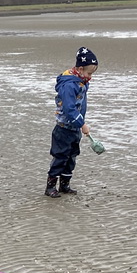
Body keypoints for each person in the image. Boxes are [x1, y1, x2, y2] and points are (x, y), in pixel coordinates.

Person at [45, 46, 99, 198]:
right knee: (60, 156)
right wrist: (82, 124)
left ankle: (64, 185)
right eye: (89, 73)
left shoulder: (82, 81)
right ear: (80, 69)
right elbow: (69, 109)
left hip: (74, 128)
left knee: (72, 156)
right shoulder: (69, 85)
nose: (90, 77)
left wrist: (80, 123)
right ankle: (50, 186)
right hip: (63, 128)